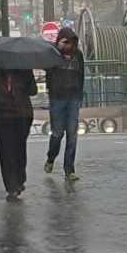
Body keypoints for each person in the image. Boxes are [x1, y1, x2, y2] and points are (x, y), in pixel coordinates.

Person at [0, 66, 37, 201]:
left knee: (17, 149)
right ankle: (12, 186)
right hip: (4, 115)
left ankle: (19, 180)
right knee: (7, 151)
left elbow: (33, 90)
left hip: (20, 115)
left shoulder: (24, 68)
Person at [44, 27, 85, 180]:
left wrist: (80, 95)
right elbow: (45, 67)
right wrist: (57, 50)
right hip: (57, 98)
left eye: (71, 42)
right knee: (57, 133)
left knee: (72, 135)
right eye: (65, 42)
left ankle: (69, 168)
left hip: (73, 98)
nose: (68, 45)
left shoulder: (78, 55)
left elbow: (82, 74)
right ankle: (51, 157)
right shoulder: (53, 54)